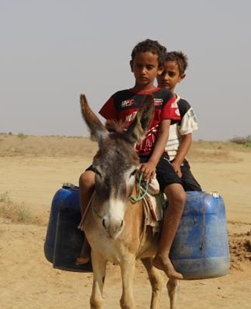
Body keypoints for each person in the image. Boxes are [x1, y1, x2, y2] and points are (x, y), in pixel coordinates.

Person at [77, 39, 185, 280]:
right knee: (85, 180)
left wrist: (153, 163)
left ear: (158, 69)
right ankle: (88, 238)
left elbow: (164, 133)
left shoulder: (165, 97)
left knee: (178, 196)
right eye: (139, 66)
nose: (144, 71)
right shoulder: (120, 98)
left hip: (152, 157)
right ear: (131, 66)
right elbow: (106, 130)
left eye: (150, 67)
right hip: (120, 158)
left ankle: (163, 253)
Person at [157, 50, 202, 192]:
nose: (165, 78)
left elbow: (187, 138)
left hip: (174, 159)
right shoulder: (148, 102)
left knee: (195, 193)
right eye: (162, 72)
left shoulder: (182, 106)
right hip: (153, 159)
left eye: (171, 74)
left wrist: (177, 163)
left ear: (180, 77)